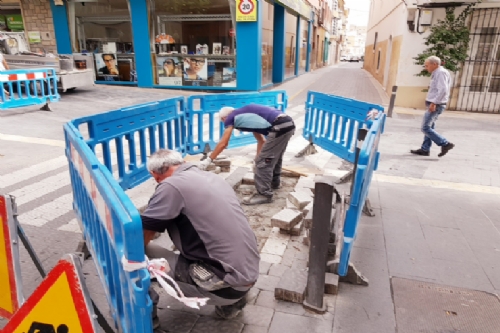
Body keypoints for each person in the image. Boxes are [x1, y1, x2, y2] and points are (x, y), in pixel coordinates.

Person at [141, 149, 259, 326]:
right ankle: (233, 304)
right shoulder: (213, 178)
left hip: (223, 285)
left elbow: (144, 233)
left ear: (155, 174)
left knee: (133, 254)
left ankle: (146, 321)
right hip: (248, 273)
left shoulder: (171, 186)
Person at [199, 105, 295, 205]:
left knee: (264, 162)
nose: (226, 125)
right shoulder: (247, 116)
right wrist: (256, 160)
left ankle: (264, 194)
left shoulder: (230, 117)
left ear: (224, 118)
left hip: (279, 126)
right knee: (274, 157)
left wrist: (209, 159)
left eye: (223, 122)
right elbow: (261, 140)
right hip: (288, 124)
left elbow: (223, 143)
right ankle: (274, 183)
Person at [411, 56, 454, 157]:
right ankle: (425, 149)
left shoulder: (440, 73)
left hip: (436, 104)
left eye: (427, 65)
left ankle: (445, 143)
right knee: (430, 127)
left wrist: (434, 103)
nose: (426, 68)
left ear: (434, 64)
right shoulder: (438, 73)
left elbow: (443, 90)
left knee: (425, 128)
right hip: (434, 103)